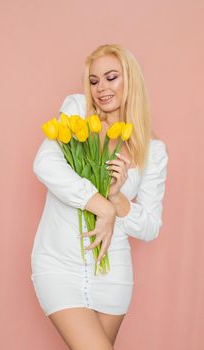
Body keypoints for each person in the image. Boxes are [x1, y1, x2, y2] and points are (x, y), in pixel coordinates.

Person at [30, 43, 169, 350]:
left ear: (130, 80)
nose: (101, 89)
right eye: (94, 81)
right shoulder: (78, 111)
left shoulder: (153, 150)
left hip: (113, 273)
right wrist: (100, 205)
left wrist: (118, 200)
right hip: (58, 265)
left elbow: (150, 226)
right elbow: (44, 163)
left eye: (111, 77)